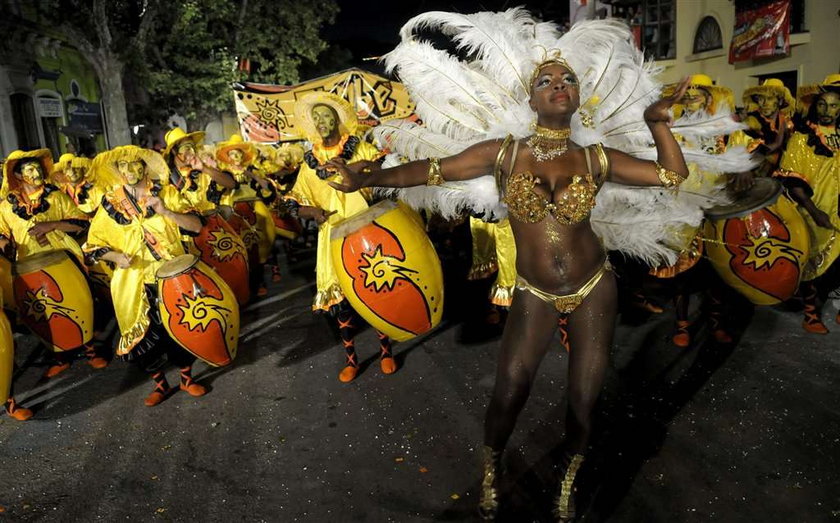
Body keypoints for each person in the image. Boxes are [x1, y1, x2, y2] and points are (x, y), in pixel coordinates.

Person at [328, 14, 695, 519]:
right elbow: (433, 169)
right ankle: (492, 469)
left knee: (585, 397)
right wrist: (363, 179)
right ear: (531, 98)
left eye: (567, 79)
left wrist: (657, 123)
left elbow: (671, 175)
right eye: (546, 80)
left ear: (579, 96)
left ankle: (568, 477)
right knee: (510, 389)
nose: (558, 85)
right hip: (534, 290)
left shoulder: (595, 159)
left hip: (594, 285)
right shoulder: (504, 154)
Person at [284, 92, 396, 383]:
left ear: (337, 120)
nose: (321, 122)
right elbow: (293, 201)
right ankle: (351, 359)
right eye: (317, 117)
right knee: (341, 302)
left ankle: (386, 352)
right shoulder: (309, 164)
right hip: (331, 237)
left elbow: (384, 168)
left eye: (327, 116)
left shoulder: (359, 149)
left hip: (367, 231)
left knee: (374, 291)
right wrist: (312, 212)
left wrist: (357, 168)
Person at [84, 146, 208, 406]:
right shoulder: (109, 205)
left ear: (144, 166)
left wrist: (166, 212)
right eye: (123, 166)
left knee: (181, 329)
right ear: (117, 171)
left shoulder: (166, 192)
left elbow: (196, 226)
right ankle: (160, 385)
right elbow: (92, 246)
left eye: (134, 165)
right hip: (133, 285)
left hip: (171, 277)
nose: (129, 171)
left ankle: (186, 378)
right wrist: (115, 257)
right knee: (144, 340)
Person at [0, 149, 94, 377]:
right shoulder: (6, 206)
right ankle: (59, 355)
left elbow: (81, 224)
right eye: (30, 169)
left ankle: (91, 349)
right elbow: (1, 233)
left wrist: (51, 225)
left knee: (78, 302)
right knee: (43, 313)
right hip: (29, 266)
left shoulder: (56, 197)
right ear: (20, 176)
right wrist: (5, 244)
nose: (37, 172)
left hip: (63, 260)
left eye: (38, 167)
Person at [775, 74, 840, 333]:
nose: (827, 111)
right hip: (816, 210)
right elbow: (792, 180)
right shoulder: (802, 137)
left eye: (834, 105)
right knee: (813, 261)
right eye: (823, 104)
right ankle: (811, 313)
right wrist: (814, 212)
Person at [216, 134, 277, 296]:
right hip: (233, 206)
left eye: (238, 153)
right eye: (232, 154)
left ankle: (260, 277)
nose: (236, 157)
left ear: (243, 155)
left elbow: (265, 186)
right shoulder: (224, 172)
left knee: (265, 232)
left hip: (254, 202)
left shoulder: (252, 170)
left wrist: (253, 175)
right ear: (227, 157)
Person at [730, 78, 795, 177]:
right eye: (761, 99)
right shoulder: (752, 121)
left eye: (769, 98)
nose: (764, 103)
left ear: (780, 101)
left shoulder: (787, 122)